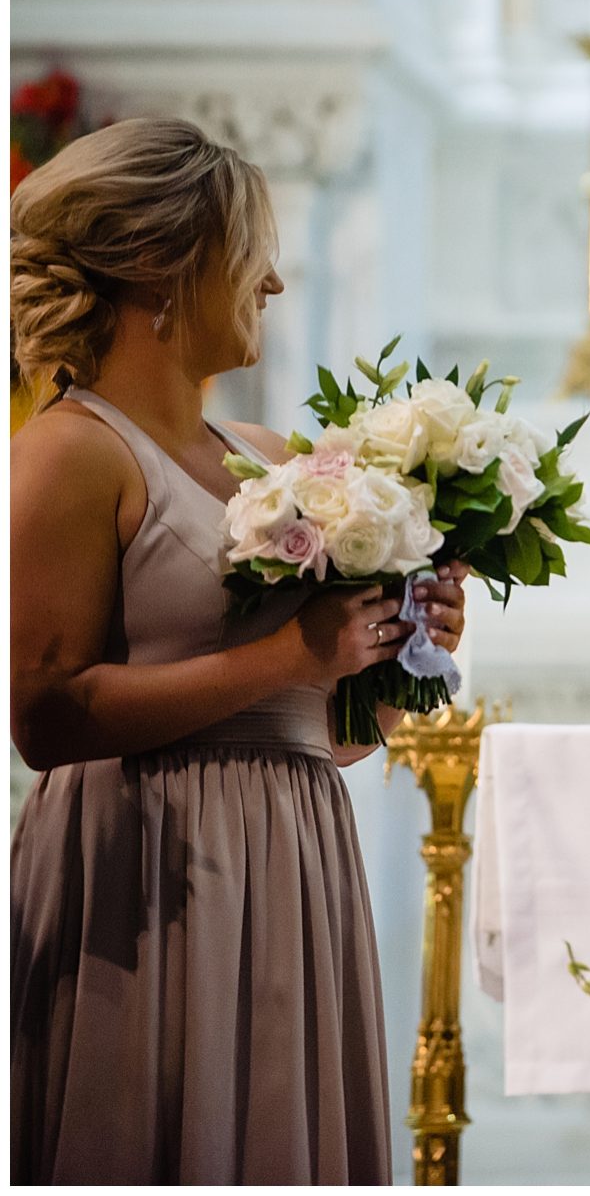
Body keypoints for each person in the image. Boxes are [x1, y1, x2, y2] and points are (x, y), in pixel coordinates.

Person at [10, 117, 468, 1184]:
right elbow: (44, 717)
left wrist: (409, 652)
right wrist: (289, 658)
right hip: (151, 865)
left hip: (295, 849)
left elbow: (333, 732)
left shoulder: (267, 458)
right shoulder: (69, 453)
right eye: (246, 251)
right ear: (165, 274)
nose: (269, 281)